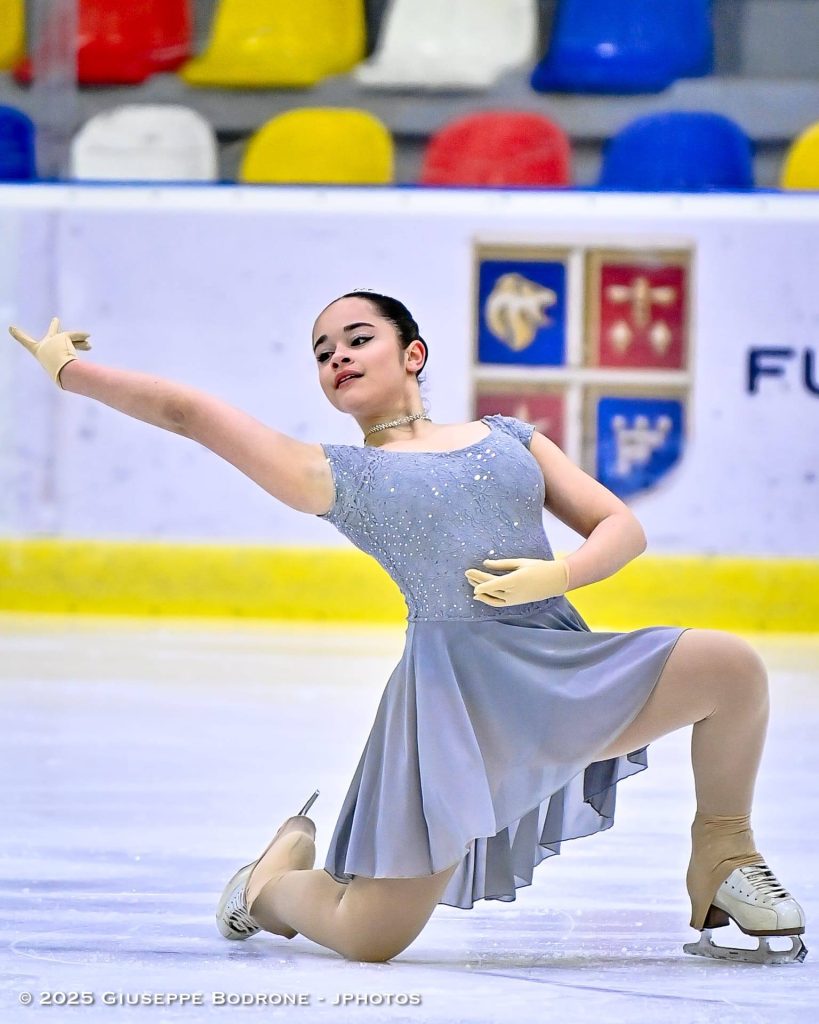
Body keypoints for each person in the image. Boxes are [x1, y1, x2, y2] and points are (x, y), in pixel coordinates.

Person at [8, 295, 807, 967]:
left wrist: (557, 574)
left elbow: (619, 526)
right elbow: (189, 415)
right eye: (323, 352)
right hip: (453, 707)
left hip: (559, 670)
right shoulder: (335, 475)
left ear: (412, 353)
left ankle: (724, 854)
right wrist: (70, 372)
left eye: (358, 339)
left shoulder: (509, 438)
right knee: (370, 938)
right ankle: (270, 883)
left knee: (730, 668)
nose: (338, 356)